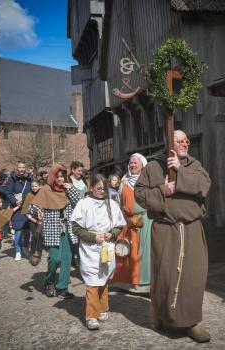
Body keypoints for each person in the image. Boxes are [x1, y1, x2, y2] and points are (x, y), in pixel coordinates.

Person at [134, 130, 212, 343]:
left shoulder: (194, 165)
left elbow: (205, 186)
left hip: (192, 228)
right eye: (180, 141)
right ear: (169, 143)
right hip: (165, 228)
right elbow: (139, 194)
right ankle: (159, 312)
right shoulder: (152, 167)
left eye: (186, 140)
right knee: (165, 275)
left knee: (195, 275)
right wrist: (162, 191)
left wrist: (179, 170)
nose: (185, 144)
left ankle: (193, 322)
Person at [71, 174, 126, 330]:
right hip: (90, 248)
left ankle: (102, 308)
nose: (102, 191)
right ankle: (91, 315)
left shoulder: (112, 204)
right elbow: (76, 228)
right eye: (98, 188)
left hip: (107, 246)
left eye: (104, 188)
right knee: (92, 280)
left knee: (104, 277)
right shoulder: (84, 204)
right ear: (91, 188)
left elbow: (119, 225)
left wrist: (112, 234)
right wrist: (93, 238)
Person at [30, 163, 80, 299]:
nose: (60, 179)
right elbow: (33, 206)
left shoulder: (69, 189)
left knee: (66, 260)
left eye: (62, 176)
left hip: (68, 230)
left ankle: (62, 288)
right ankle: (49, 281)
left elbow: (80, 203)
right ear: (52, 177)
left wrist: (70, 189)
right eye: (57, 177)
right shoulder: (46, 189)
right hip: (53, 229)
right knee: (55, 259)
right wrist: (39, 211)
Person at [111, 154, 152, 294]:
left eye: (135, 163)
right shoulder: (124, 181)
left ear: (142, 165)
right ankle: (128, 284)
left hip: (146, 221)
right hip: (128, 221)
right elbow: (118, 203)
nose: (133, 165)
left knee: (145, 254)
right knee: (127, 252)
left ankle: (146, 285)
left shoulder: (148, 180)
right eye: (131, 163)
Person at [6, 161, 32, 261]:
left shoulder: (29, 178)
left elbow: (33, 190)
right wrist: (15, 201)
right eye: (20, 167)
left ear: (25, 168)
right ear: (17, 168)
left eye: (23, 167)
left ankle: (25, 247)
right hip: (17, 208)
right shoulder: (12, 178)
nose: (21, 169)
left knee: (27, 230)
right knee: (18, 230)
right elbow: (8, 193)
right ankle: (17, 251)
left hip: (28, 207)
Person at [23, 180, 43, 265]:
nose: (34, 188)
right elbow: (26, 210)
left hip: (41, 218)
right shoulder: (29, 195)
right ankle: (32, 254)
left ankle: (39, 255)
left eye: (35, 186)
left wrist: (41, 218)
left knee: (40, 236)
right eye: (32, 186)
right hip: (31, 218)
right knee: (34, 235)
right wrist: (32, 219)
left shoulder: (43, 195)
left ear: (39, 186)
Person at [0, 171, 11, 238]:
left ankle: (6, 233)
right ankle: (1, 234)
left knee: (7, 220)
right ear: (1, 180)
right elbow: (5, 192)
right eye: (4, 180)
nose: (5, 181)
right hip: (1, 204)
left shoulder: (6, 186)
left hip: (7, 204)